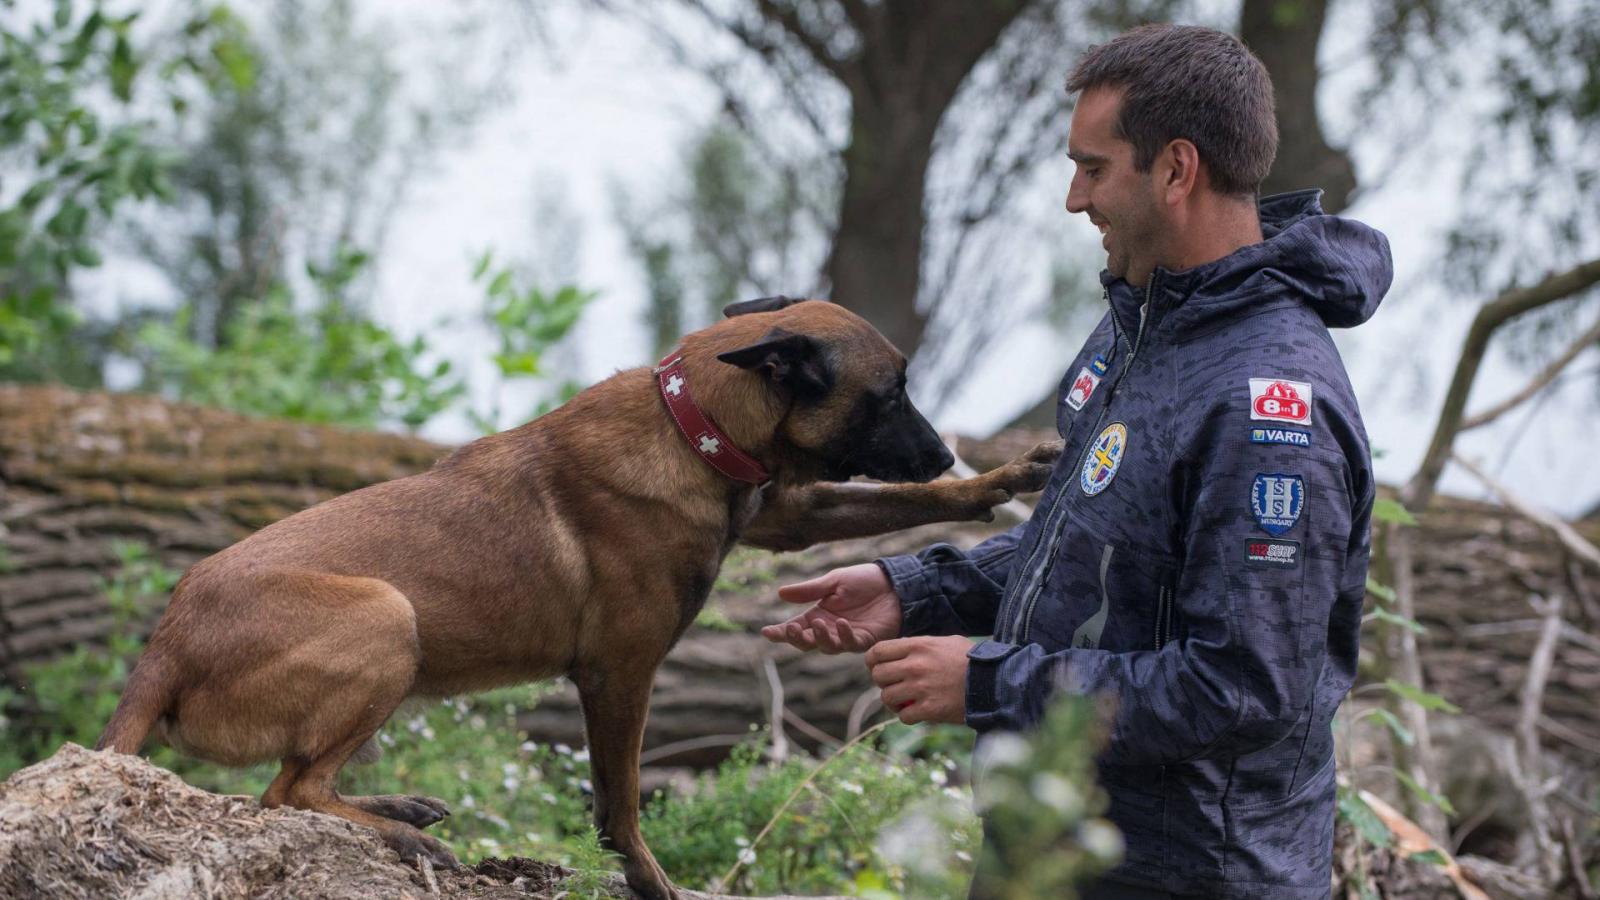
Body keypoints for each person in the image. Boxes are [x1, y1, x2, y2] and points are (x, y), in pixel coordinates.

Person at [761, 23, 1392, 900]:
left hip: (1187, 877)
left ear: (1176, 169)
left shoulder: (1266, 405)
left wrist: (989, 683)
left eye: (1093, 168)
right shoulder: (1140, 326)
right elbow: (1100, 543)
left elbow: (1244, 689)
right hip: (1057, 850)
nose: (1073, 199)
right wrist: (920, 590)